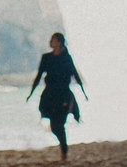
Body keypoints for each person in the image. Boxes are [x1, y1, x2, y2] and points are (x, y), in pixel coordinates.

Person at [26, 30, 85, 159]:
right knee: (55, 125)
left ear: (58, 42)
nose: (50, 42)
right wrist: (31, 93)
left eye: (52, 40)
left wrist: (83, 92)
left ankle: (64, 151)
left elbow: (74, 74)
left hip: (63, 95)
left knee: (58, 124)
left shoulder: (66, 58)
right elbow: (39, 75)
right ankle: (64, 149)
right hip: (50, 95)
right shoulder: (46, 57)